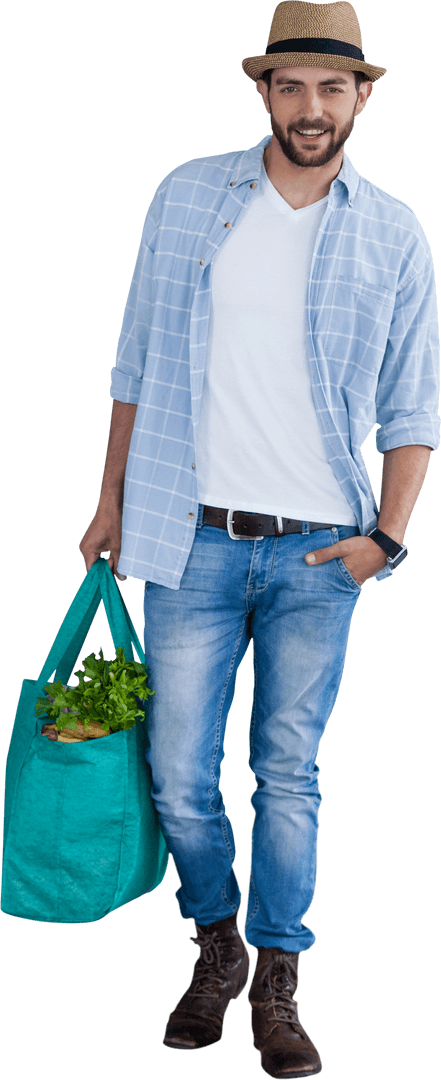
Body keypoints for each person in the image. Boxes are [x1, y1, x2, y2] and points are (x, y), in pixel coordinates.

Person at [79, 2, 440, 1076]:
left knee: (287, 774)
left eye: (334, 89)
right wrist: (107, 499)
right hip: (187, 539)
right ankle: (217, 942)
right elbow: (135, 365)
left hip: (322, 551)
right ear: (264, 92)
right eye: (292, 87)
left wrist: (389, 536)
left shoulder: (394, 232)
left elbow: (417, 408)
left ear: (363, 97)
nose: (313, 108)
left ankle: (279, 976)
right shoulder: (190, 194)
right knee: (179, 774)